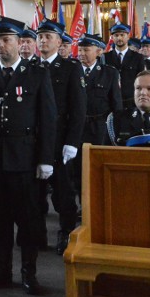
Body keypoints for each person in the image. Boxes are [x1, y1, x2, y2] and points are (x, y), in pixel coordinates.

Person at [0, 16, 55, 296]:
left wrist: (46, 158)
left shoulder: (36, 74)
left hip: (25, 159)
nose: (1, 46)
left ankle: (28, 272)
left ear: (19, 42)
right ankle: (2, 269)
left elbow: (48, 119)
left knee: (28, 220)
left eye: (7, 40)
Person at [34, 19, 86, 255]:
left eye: (48, 37)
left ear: (58, 41)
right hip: (34, 140)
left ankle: (66, 232)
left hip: (60, 139)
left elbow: (78, 109)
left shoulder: (70, 68)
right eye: (40, 36)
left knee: (63, 192)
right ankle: (37, 233)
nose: (43, 40)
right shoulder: (30, 66)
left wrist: (72, 143)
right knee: (35, 193)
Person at [74, 34, 121, 200]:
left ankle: (99, 200)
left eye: (86, 49)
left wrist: (117, 132)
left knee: (98, 165)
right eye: (79, 49)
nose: (81, 53)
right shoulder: (73, 70)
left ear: (99, 52)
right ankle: (83, 202)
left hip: (99, 126)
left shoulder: (109, 73)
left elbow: (116, 105)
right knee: (78, 166)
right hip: (77, 126)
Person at [104, 24, 145, 109]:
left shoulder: (137, 57)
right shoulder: (105, 57)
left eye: (122, 35)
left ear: (128, 36)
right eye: (116, 35)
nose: (119, 38)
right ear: (112, 37)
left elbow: (141, 81)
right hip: (110, 102)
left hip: (131, 102)